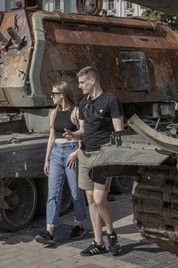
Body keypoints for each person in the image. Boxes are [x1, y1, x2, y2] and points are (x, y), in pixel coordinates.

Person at [64, 66, 124, 256]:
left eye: (82, 82)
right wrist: (73, 135)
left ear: (92, 81)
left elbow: (119, 131)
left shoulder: (111, 100)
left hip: (102, 155)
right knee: (90, 199)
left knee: (100, 199)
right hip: (85, 154)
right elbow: (83, 131)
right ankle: (98, 242)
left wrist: (113, 155)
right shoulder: (83, 104)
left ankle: (111, 233)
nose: (79, 86)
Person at [35, 81, 87, 246]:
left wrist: (76, 153)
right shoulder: (54, 113)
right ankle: (50, 230)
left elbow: (83, 133)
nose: (52, 96)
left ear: (63, 94)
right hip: (57, 153)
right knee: (53, 193)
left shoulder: (76, 112)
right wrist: (47, 158)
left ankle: (79, 224)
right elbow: (51, 136)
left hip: (71, 152)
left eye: (54, 93)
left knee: (75, 192)